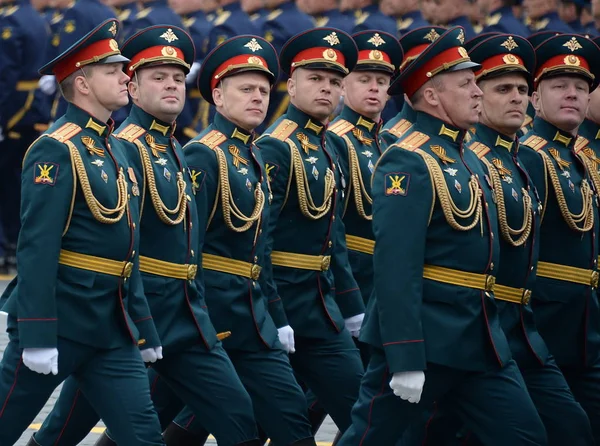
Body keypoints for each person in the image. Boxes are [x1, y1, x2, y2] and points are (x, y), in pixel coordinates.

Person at [27, 24, 264, 446]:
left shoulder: (172, 147)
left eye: (178, 78)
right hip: (126, 306)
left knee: (235, 417)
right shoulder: (125, 145)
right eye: (158, 77)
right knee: (69, 426)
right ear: (132, 88)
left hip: (183, 311)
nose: (173, 86)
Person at [337, 26, 547, 446]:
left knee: (526, 436)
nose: (476, 91)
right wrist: (404, 355)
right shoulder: (407, 160)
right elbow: (397, 265)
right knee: (369, 439)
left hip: (480, 338)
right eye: (467, 83)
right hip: (428, 341)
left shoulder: (466, 154)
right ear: (432, 95)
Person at [0, 19, 166, 446]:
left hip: (112, 326)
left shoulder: (121, 148)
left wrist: (143, 326)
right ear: (83, 83)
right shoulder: (56, 147)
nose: (125, 76)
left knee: (144, 436)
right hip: (61, 318)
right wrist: (36, 333)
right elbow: (37, 246)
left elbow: (129, 248)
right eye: (112, 71)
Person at [158, 34, 318, 446]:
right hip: (210, 312)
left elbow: (260, 250)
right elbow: (185, 244)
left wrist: (276, 315)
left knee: (288, 416)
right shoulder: (202, 155)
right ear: (217, 95)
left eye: (264, 91)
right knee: (158, 416)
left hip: (254, 315)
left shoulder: (255, 155)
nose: (258, 99)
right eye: (246, 89)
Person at [255, 27, 366, 436]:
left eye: (335, 82)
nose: (327, 89)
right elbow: (259, 243)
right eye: (315, 80)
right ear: (292, 85)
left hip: (322, 307)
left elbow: (334, 236)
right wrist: (276, 313)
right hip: (279, 301)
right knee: (256, 422)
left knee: (362, 411)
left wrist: (351, 307)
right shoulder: (275, 146)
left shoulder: (330, 145)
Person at [518, 32, 600, 444]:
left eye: (581, 87)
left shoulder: (581, 156)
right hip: (544, 322)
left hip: (586, 324)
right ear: (535, 97)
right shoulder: (529, 155)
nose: (572, 94)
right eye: (559, 86)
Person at [328, 30, 403, 365]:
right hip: (351, 279)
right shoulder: (335, 140)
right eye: (364, 79)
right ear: (344, 85)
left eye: (382, 80)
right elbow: (334, 227)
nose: (375, 88)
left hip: (383, 281)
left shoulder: (389, 145)